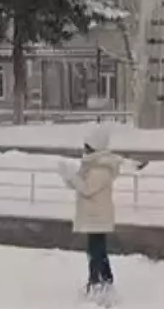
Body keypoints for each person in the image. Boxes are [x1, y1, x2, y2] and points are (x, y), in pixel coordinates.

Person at [58, 126, 146, 299]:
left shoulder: (101, 168)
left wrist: (71, 176)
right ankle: (103, 282)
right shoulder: (92, 164)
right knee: (97, 251)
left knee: (96, 252)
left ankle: (98, 284)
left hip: (97, 217)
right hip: (93, 216)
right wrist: (67, 176)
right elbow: (78, 184)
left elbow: (87, 189)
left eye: (88, 146)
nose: (85, 150)